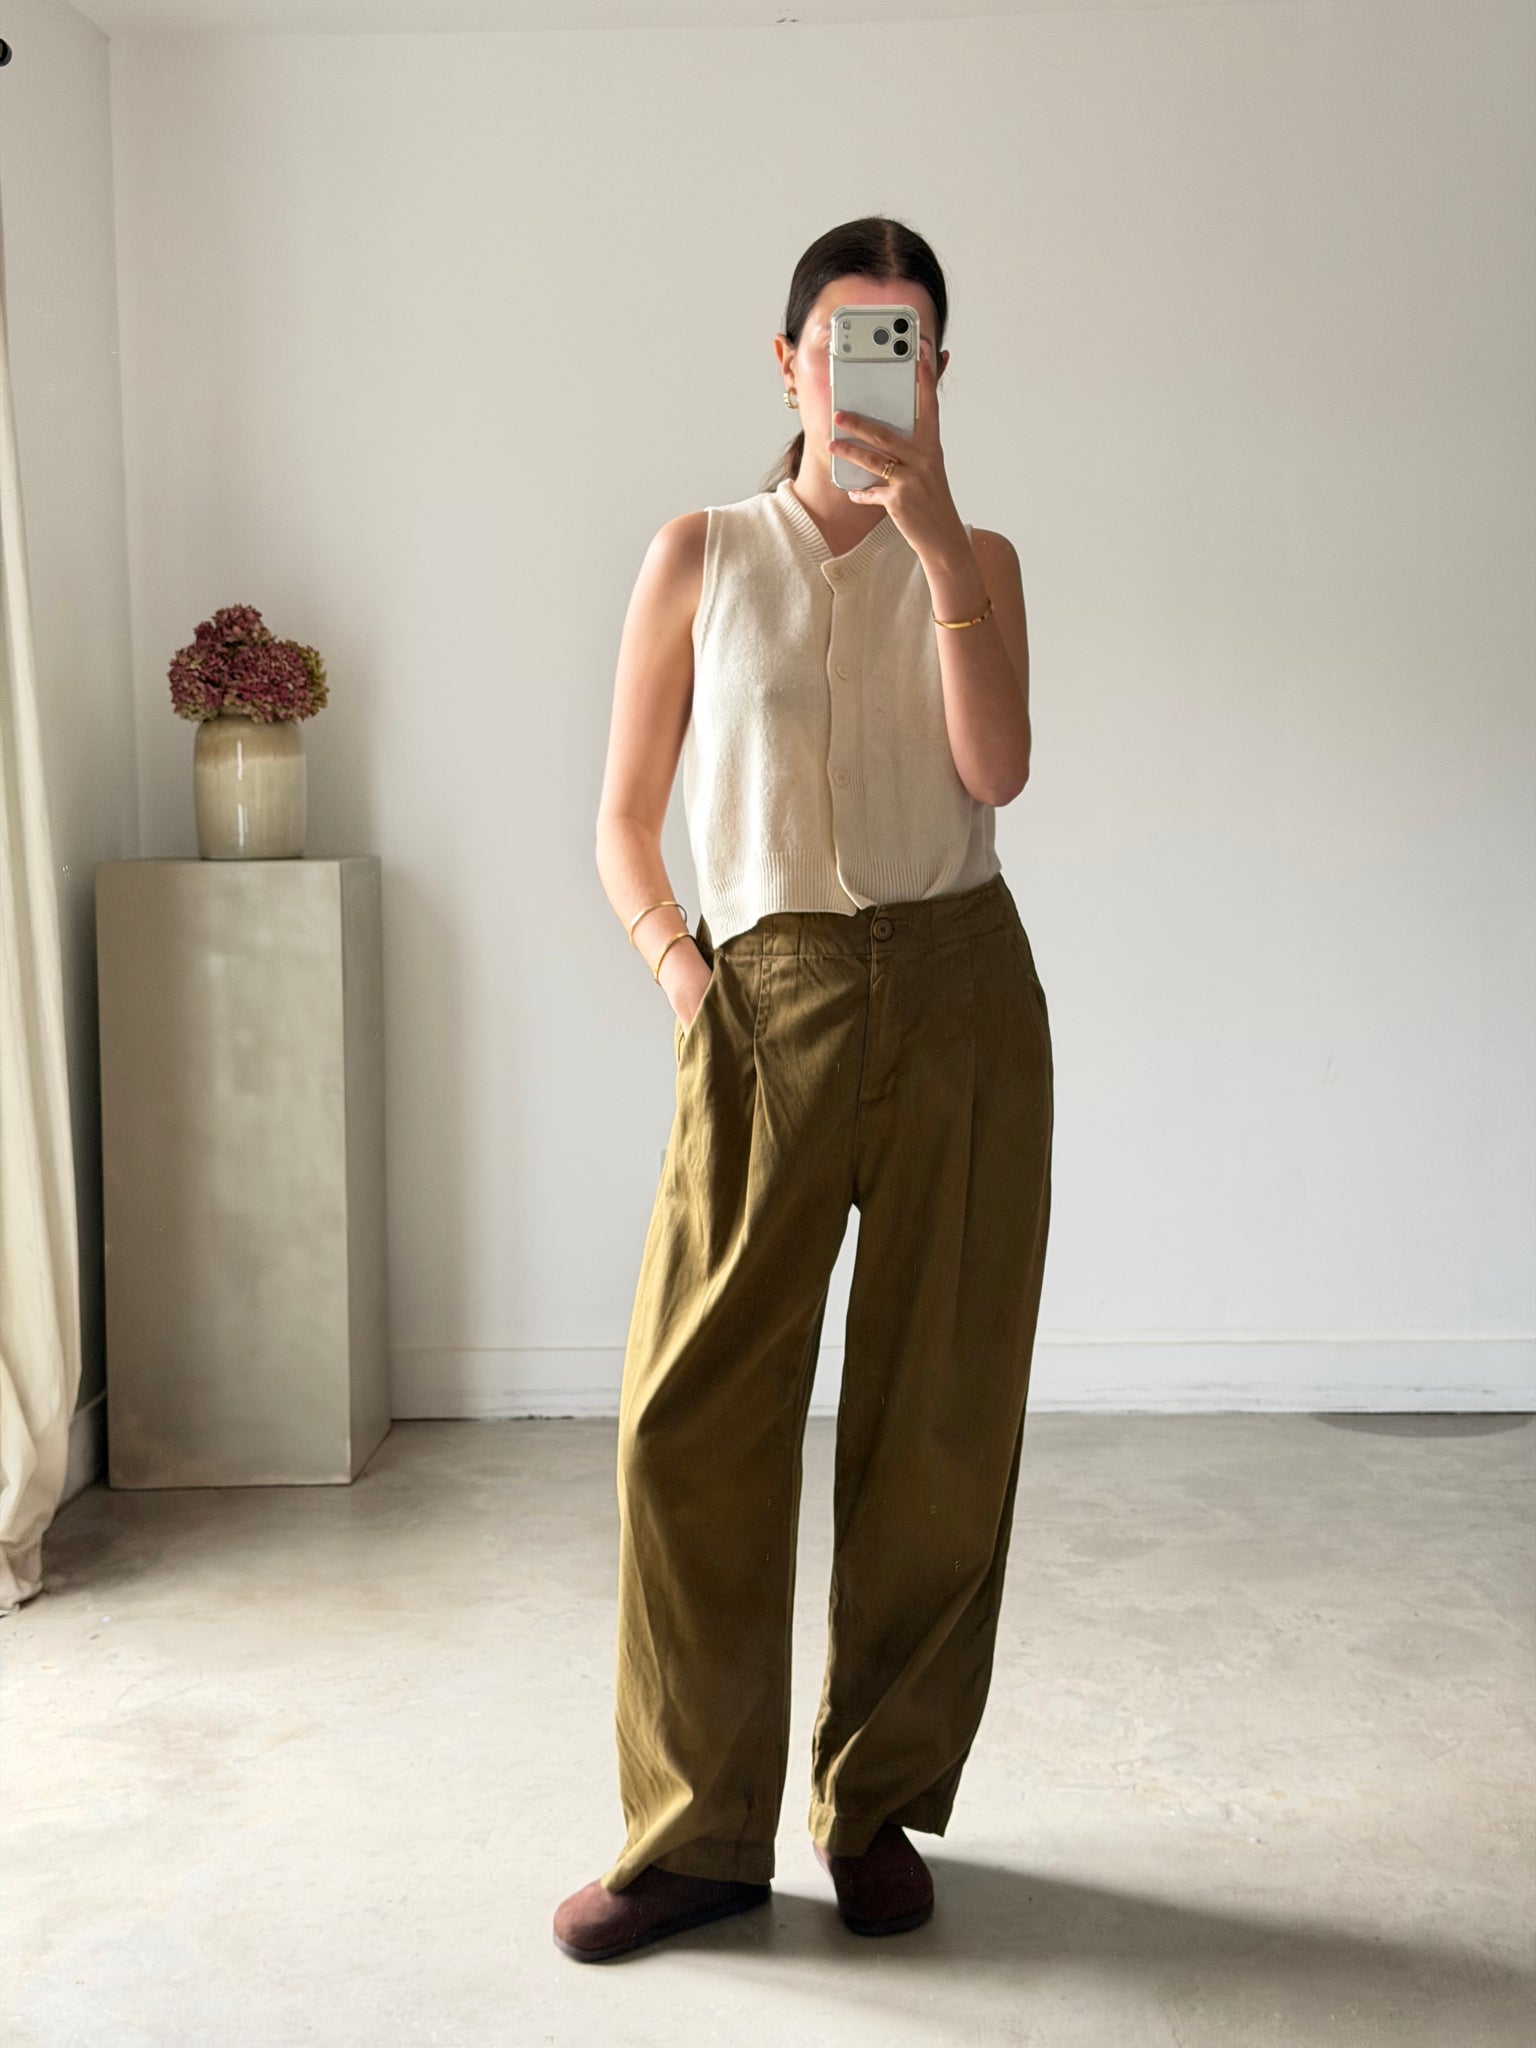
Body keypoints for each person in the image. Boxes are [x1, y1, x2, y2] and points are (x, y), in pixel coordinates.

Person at [556, 216, 1053, 1963]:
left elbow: (998, 767)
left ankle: (876, 1807)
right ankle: (696, 1836)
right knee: (687, 1417)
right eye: (843, 340)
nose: (868, 371)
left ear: (938, 375)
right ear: (787, 364)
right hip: (765, 997)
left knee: (938, 1418)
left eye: (903, 343)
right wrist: (689, 982)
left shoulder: (976, 555)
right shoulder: (700, 553)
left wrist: (938, 545)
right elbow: (622, 818)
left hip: (964, 995)